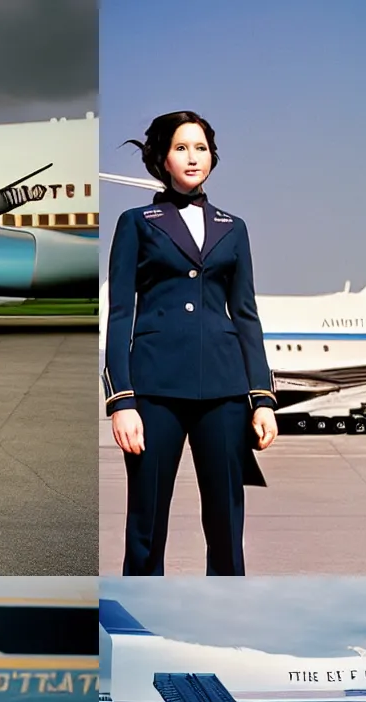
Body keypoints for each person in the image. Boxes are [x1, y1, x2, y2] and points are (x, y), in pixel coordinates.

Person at [104, 110, 278, 575]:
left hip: (224, 392)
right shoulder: (136, 222)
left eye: (201, 147)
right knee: (146, 525)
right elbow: (121, 314)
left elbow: (246, 315)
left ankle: (227, 623)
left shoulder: (233, 226)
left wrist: (261, 399)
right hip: (154, 391)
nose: (193, 157)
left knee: (226, 524)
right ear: (161, 158)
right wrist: (121, 401)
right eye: (181, 147)